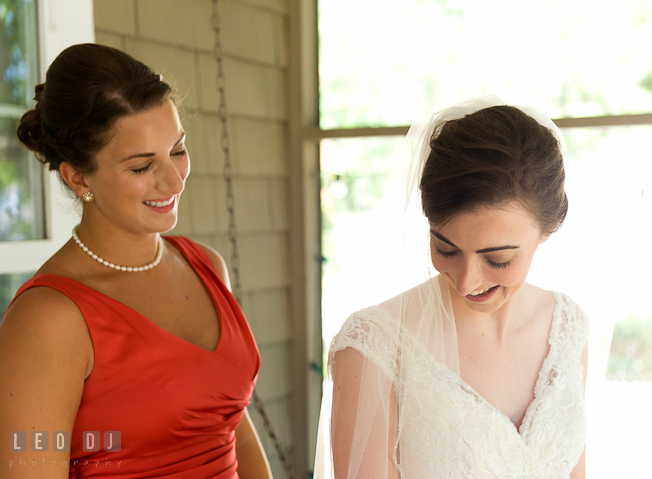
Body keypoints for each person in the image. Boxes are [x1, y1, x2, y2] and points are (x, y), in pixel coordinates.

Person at [0, 44, 272, 479]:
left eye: (177, 150)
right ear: (78, 176)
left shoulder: (206, 265)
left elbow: (228, 425)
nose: (174, 179)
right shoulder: (47, 319)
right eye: (142, 166)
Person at [315, 96, 590, 479]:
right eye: (446, 248)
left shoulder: (567, 329)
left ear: (550, 228)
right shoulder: (373, 347)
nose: (466, 281)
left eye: (497, 259)